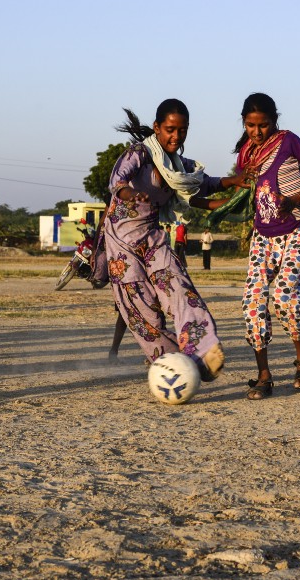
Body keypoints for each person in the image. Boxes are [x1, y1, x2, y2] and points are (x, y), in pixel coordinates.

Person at [104, 99, 244, 381]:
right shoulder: (140, 153)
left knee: (179, 287)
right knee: (145, 314)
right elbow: (116, 181)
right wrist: (133, 195)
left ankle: (204, 354)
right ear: (157, 128)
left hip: (153, 235)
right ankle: (173, 362)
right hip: (121, 243)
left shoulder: (179, 166)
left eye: (182, 130)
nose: (176, 137)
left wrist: (237, 185)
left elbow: (206, 184)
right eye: (170, 129)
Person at [234, 93, 300, 400]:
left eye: (262, 124)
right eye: (250, 125)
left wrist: (295, 199)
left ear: (274, 120)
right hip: (263, 235)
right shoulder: (245, 154)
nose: (257, 131)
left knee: (283, 295)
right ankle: (263, 374)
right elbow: (242, 189)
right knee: (252, 302)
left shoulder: (289, 141)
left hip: (297, 230)